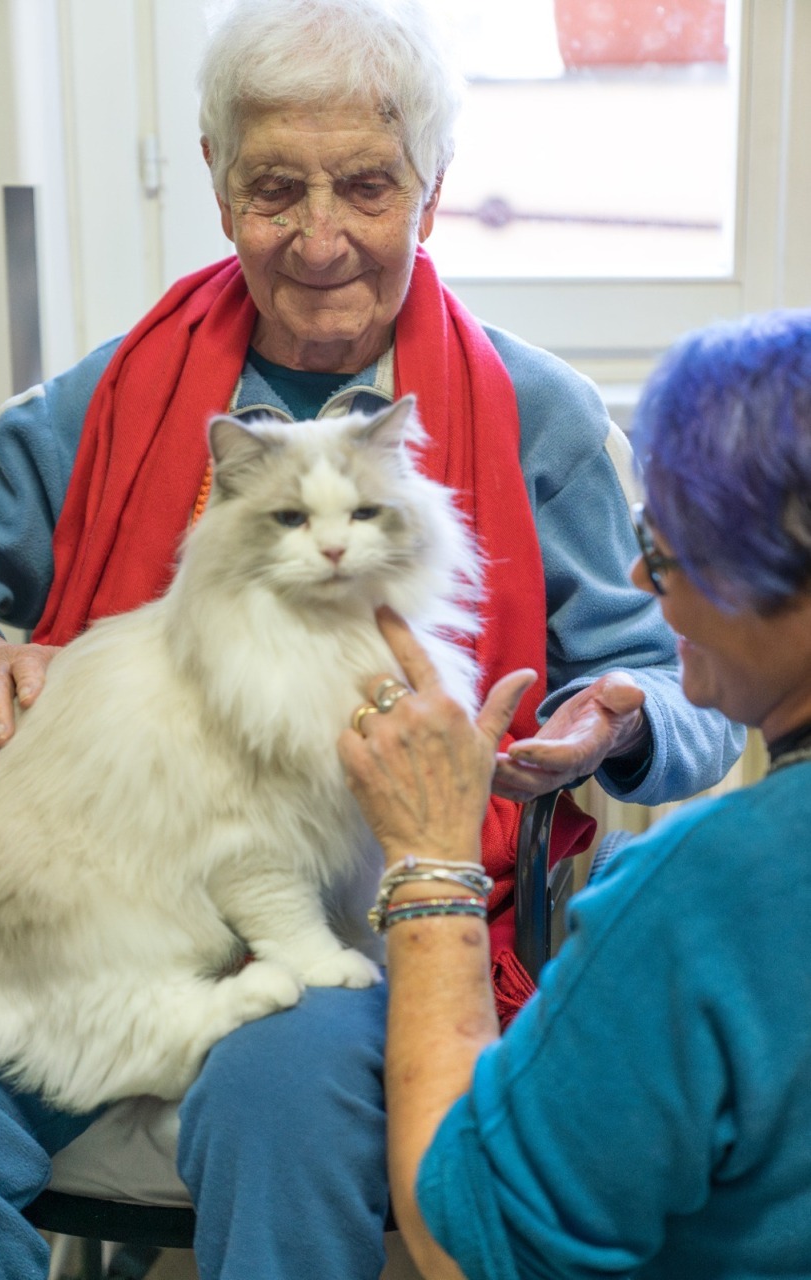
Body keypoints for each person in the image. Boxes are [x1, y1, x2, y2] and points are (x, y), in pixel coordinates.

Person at [0, 1, 742, 1277]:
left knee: (289, 1078)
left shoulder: (534, 414)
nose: (320, 238)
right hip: (104, 908)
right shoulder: (97, 400)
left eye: (365, 186)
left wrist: (617, 719)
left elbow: (687, 685)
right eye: (276, 189)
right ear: (216, 188)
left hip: (373, 915)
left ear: (431, 193)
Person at [339, 307, 811, 1280]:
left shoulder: (701, 896)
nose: (637, 575)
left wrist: (433, 862)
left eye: (667, 551)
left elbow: (462, 1238)